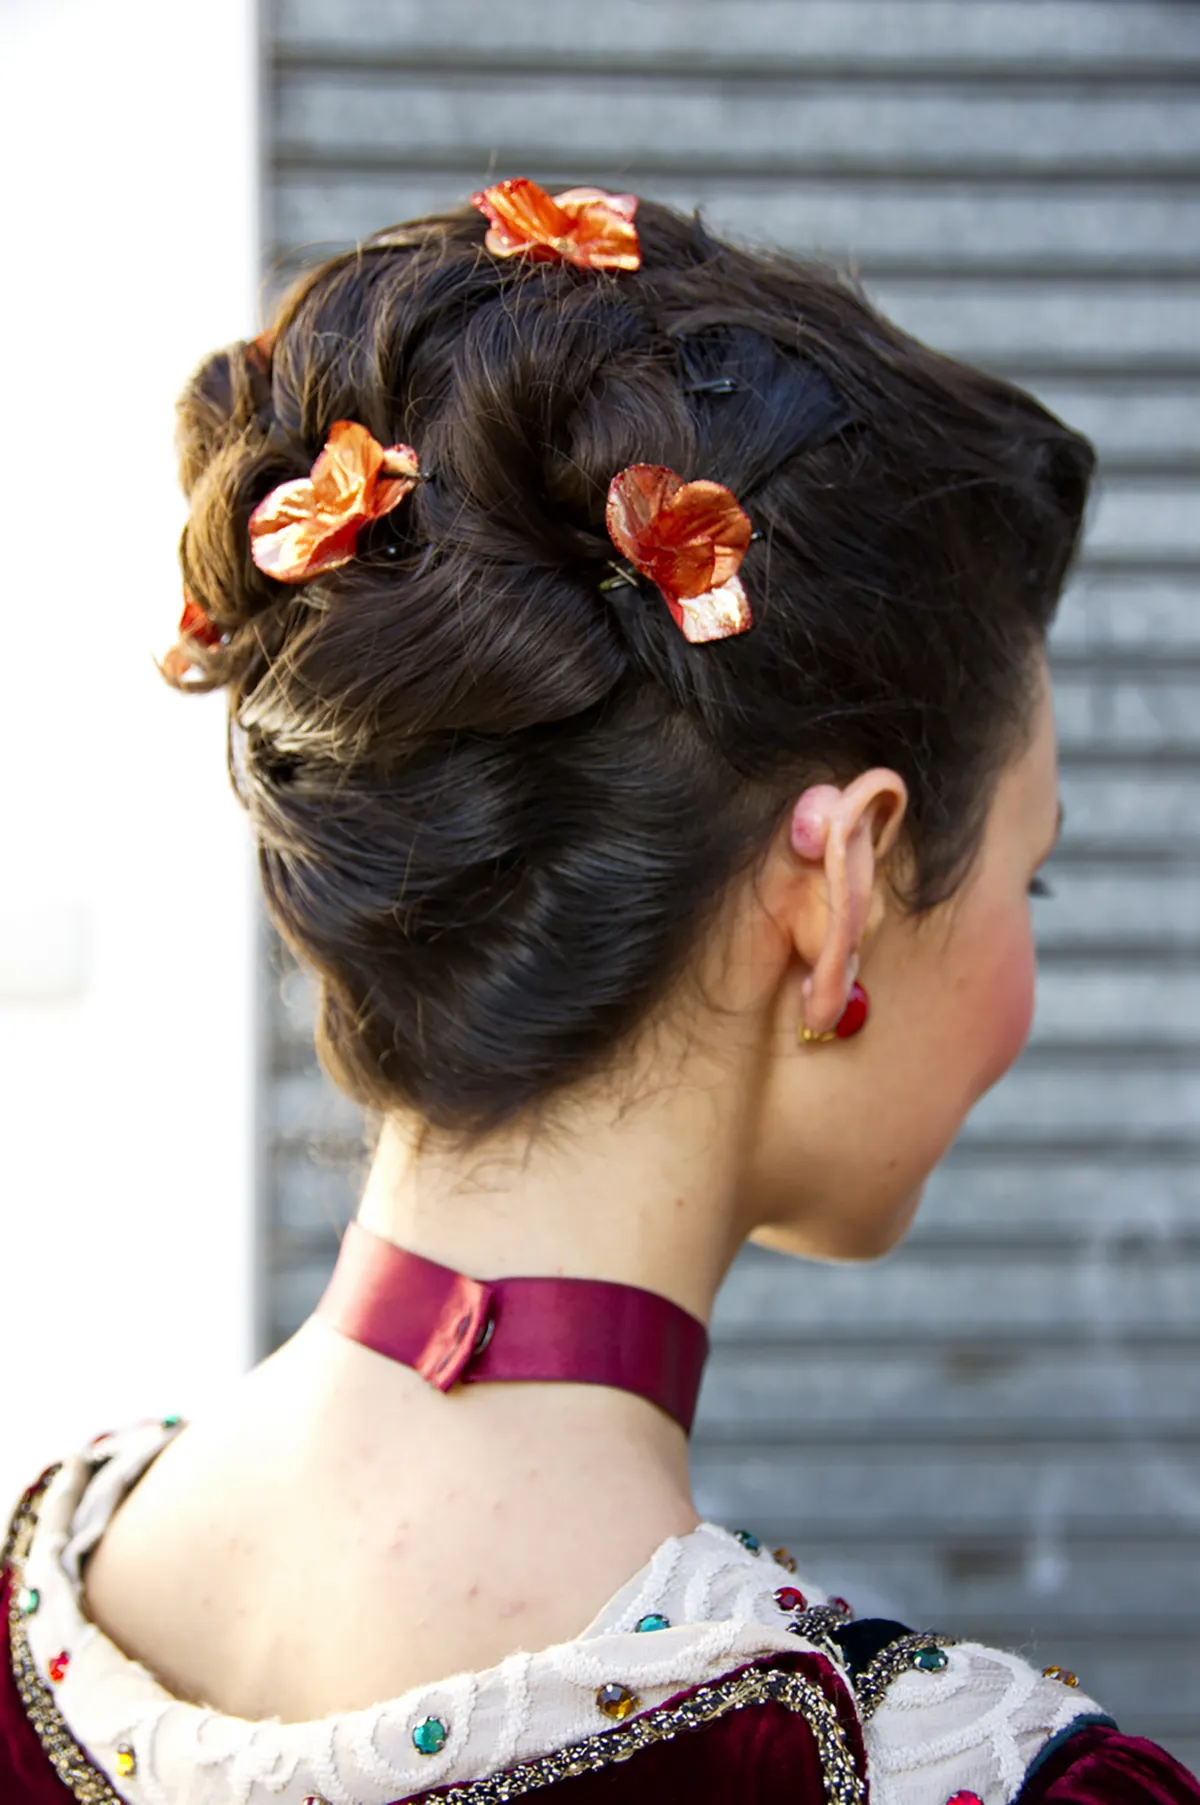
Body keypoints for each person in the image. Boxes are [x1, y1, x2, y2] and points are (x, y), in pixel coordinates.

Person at [2, 180, 1195, 1805]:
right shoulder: (945, 1779)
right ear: (840, 889)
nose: (1030, 973)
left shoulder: (34, 1603)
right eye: (1025, 879)